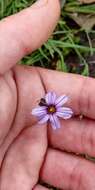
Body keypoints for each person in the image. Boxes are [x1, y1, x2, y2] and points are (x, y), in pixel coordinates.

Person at [0, 0, 95, 189]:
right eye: (50, 108)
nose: (52, 109)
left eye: (52, 108)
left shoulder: (50, 112)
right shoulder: (49, 111)